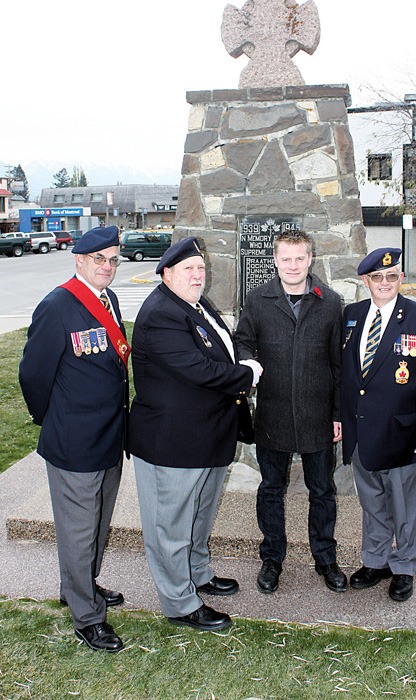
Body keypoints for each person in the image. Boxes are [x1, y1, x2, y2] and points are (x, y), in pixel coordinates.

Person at [128, 237, 262, 631]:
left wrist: (244, 357)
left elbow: (223, 343)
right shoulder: (160, 314)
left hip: (207, 435)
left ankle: (198, 574)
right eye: (189, 269)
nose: (197, 275)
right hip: (173, 442)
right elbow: (199, 370)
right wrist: (248, 374)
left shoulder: (194, 303)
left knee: (199, 517)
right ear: (167, 273)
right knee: (170, 527)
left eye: (200, 268)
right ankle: (180, 603)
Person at [19, 225, 130, 652]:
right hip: (74, 441)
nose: (107, 267)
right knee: (79, 530)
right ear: (79, 260)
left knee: (98, 524)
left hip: (109, 435)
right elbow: (33, 373)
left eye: (113, 260)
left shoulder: (110, 300)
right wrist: (52, 419)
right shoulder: (58, 305)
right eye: (99, 259)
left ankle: (80, 585)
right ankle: (86, 616)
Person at [234, 231, 345, 595]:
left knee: (322, 490)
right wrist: (248, 366)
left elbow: (338, 363)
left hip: (317, 415)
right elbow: (243, 342)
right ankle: (271, 558)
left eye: (300, 258)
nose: (293, 266)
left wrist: (338, 413)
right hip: (274, 413)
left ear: (310, 259)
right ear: (276, 260)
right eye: (286, 259)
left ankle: (325, 558)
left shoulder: (330, 302)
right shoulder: (258, 299)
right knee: (270, 489)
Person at [341, 247, 416, 601]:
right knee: (372, 502)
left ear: (401, 278)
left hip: (404, 434)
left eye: (392, 276)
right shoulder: (352, 316)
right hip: (362, 431)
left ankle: (404, 565)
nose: (385, 283)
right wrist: (340, 419)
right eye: (377, 277)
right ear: (365, 281)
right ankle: (376, 561)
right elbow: (346, 376)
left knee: (406, 507)